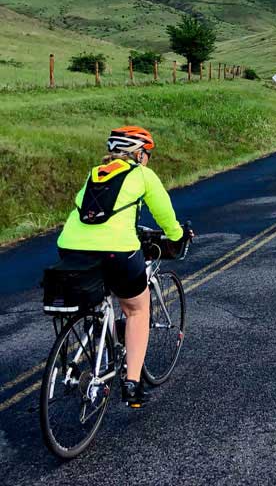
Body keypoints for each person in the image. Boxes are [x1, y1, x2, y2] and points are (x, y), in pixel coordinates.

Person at [57, 126, 187, 408]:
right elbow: (164, 214)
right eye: (147, 154)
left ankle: (95, 338)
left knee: (99, 293)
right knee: (137, 309)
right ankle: (132, 382)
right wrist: (178, 237)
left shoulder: (94, 173)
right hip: (117, 252)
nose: (148, 159)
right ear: (139, 154)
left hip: (69, 247)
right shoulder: (141, 175)